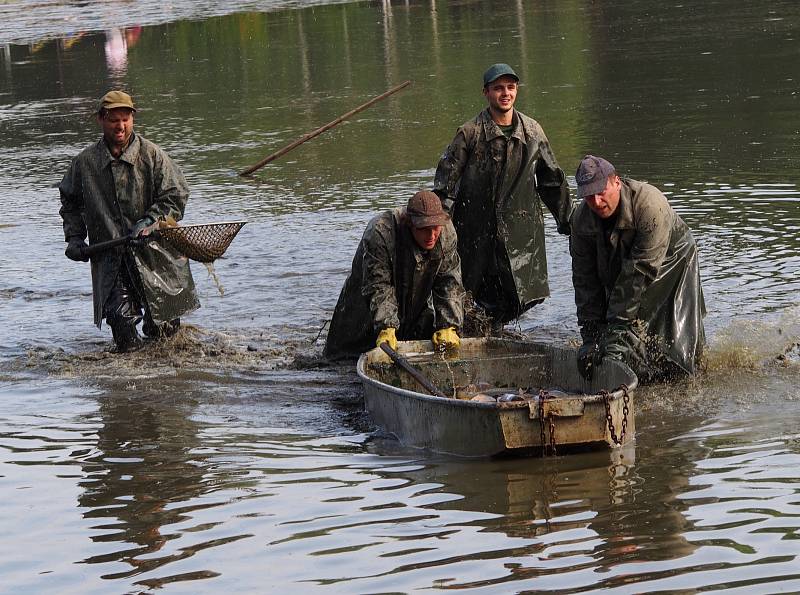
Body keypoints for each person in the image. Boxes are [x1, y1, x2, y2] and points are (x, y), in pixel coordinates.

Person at [433, 63, 572, 329]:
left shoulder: (533, 132)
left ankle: (492, 329)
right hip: (475, 230)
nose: (505, 93)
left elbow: (552, 181)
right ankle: (481, 330)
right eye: (498, 88)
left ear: (517, 90)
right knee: (472, 292)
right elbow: (445, 186)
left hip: (521, 231)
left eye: (510, 87)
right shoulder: (469, 133)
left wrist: (570, 222)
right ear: (486, 93)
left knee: (524, 293)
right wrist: (439, 229)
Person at [59, 90, 200, 352]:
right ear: (101, 120)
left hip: (157, 258)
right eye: (114, 120)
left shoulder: (152, 156)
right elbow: (70, 204)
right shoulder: (84, 163)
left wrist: (149, 220)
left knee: (166, 334)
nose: (121, 126)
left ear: (133, 119)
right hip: (111, 259)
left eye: (126, 119)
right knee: (122, 328)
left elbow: (176, 195)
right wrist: (75, 238)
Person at [570, 154, 705, 382]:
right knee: (610, 328)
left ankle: (682, 373)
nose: (596, 202)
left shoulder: (650, 205)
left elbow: (637, 274)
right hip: (624, 255)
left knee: (665, 327)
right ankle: (637, 368)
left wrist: (616, 333)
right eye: (588, 197)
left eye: (600, 192)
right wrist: (590, 336)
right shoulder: (581, 220)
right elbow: (585, 280)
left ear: (616, 182)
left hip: (672, 258)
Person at [324, 191, 465, 360]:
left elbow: (449, 282)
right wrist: (386, 325)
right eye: (424, 229)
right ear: (410, 223)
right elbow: (378, 285)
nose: (432, 235)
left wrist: (448, 325)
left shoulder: (447, 233)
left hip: (414, 300)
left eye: (436, 228)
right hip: (363, 303)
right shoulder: (380, 232)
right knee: (345, 359)